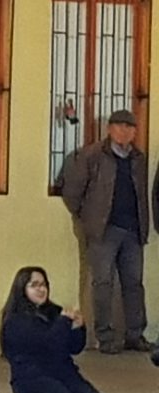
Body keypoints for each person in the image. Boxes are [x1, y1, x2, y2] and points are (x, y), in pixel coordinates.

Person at [58, 109, 154, 354]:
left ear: (134, 131)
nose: (124, 131)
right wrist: (87, 218)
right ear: (109, 129)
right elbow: (72, 191)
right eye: (119, 126)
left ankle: (135, 334)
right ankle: (105, 336)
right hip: (103, 229)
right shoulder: (92, 155)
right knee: (102, 283)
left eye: (129, 127)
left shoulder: (138, 158)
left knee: (134, 284)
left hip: (133, 229)